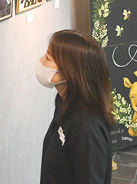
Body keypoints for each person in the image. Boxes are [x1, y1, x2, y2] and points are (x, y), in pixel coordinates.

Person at [35, 30, 114, 184]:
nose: (41, 61)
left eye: (48, 58)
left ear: (69, 71)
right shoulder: (63, 101)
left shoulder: (87, 128)